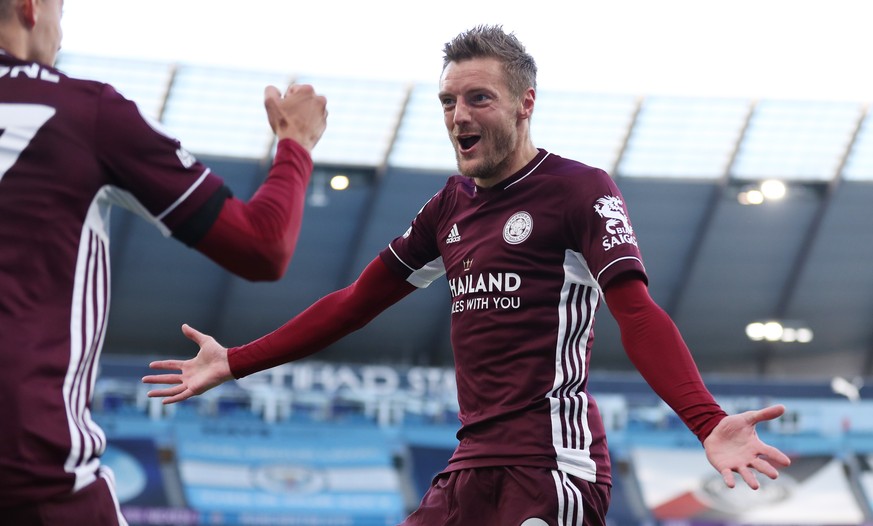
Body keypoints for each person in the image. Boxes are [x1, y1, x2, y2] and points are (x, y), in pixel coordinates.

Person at [143, 25, 790, 526]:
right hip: (468, 471)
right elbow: (354, 303)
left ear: (524, 103)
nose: (458, 115)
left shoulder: (577, 190)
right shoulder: (448, 208)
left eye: (478, 98)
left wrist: (704, 420)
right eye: (448, 101)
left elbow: (636, 311)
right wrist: (236, 361)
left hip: (551, 467)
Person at [0, 0, 328, 524]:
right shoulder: (84, 113)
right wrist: (296, 145)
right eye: (62, 11)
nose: (61, 34)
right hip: (31, 480)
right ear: (32, 8)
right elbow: (263, 246)